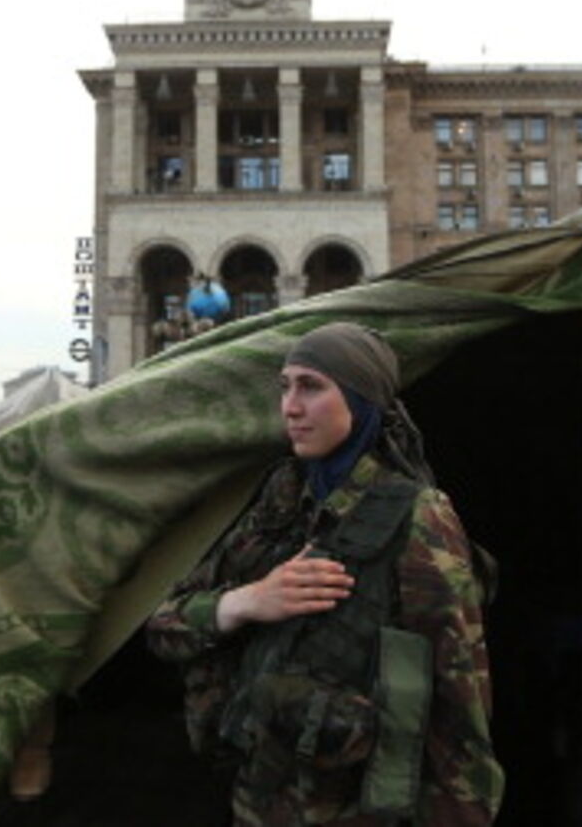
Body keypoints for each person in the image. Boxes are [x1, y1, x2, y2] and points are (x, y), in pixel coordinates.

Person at [145, 322, 504, 826]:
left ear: (361, 401)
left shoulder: (416, 517)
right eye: (286, 386)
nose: (290, 406)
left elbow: (459, 712)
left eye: (312, 387)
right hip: (256, 799)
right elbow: (164, 626)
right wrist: (247, 601)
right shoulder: (283, 499)